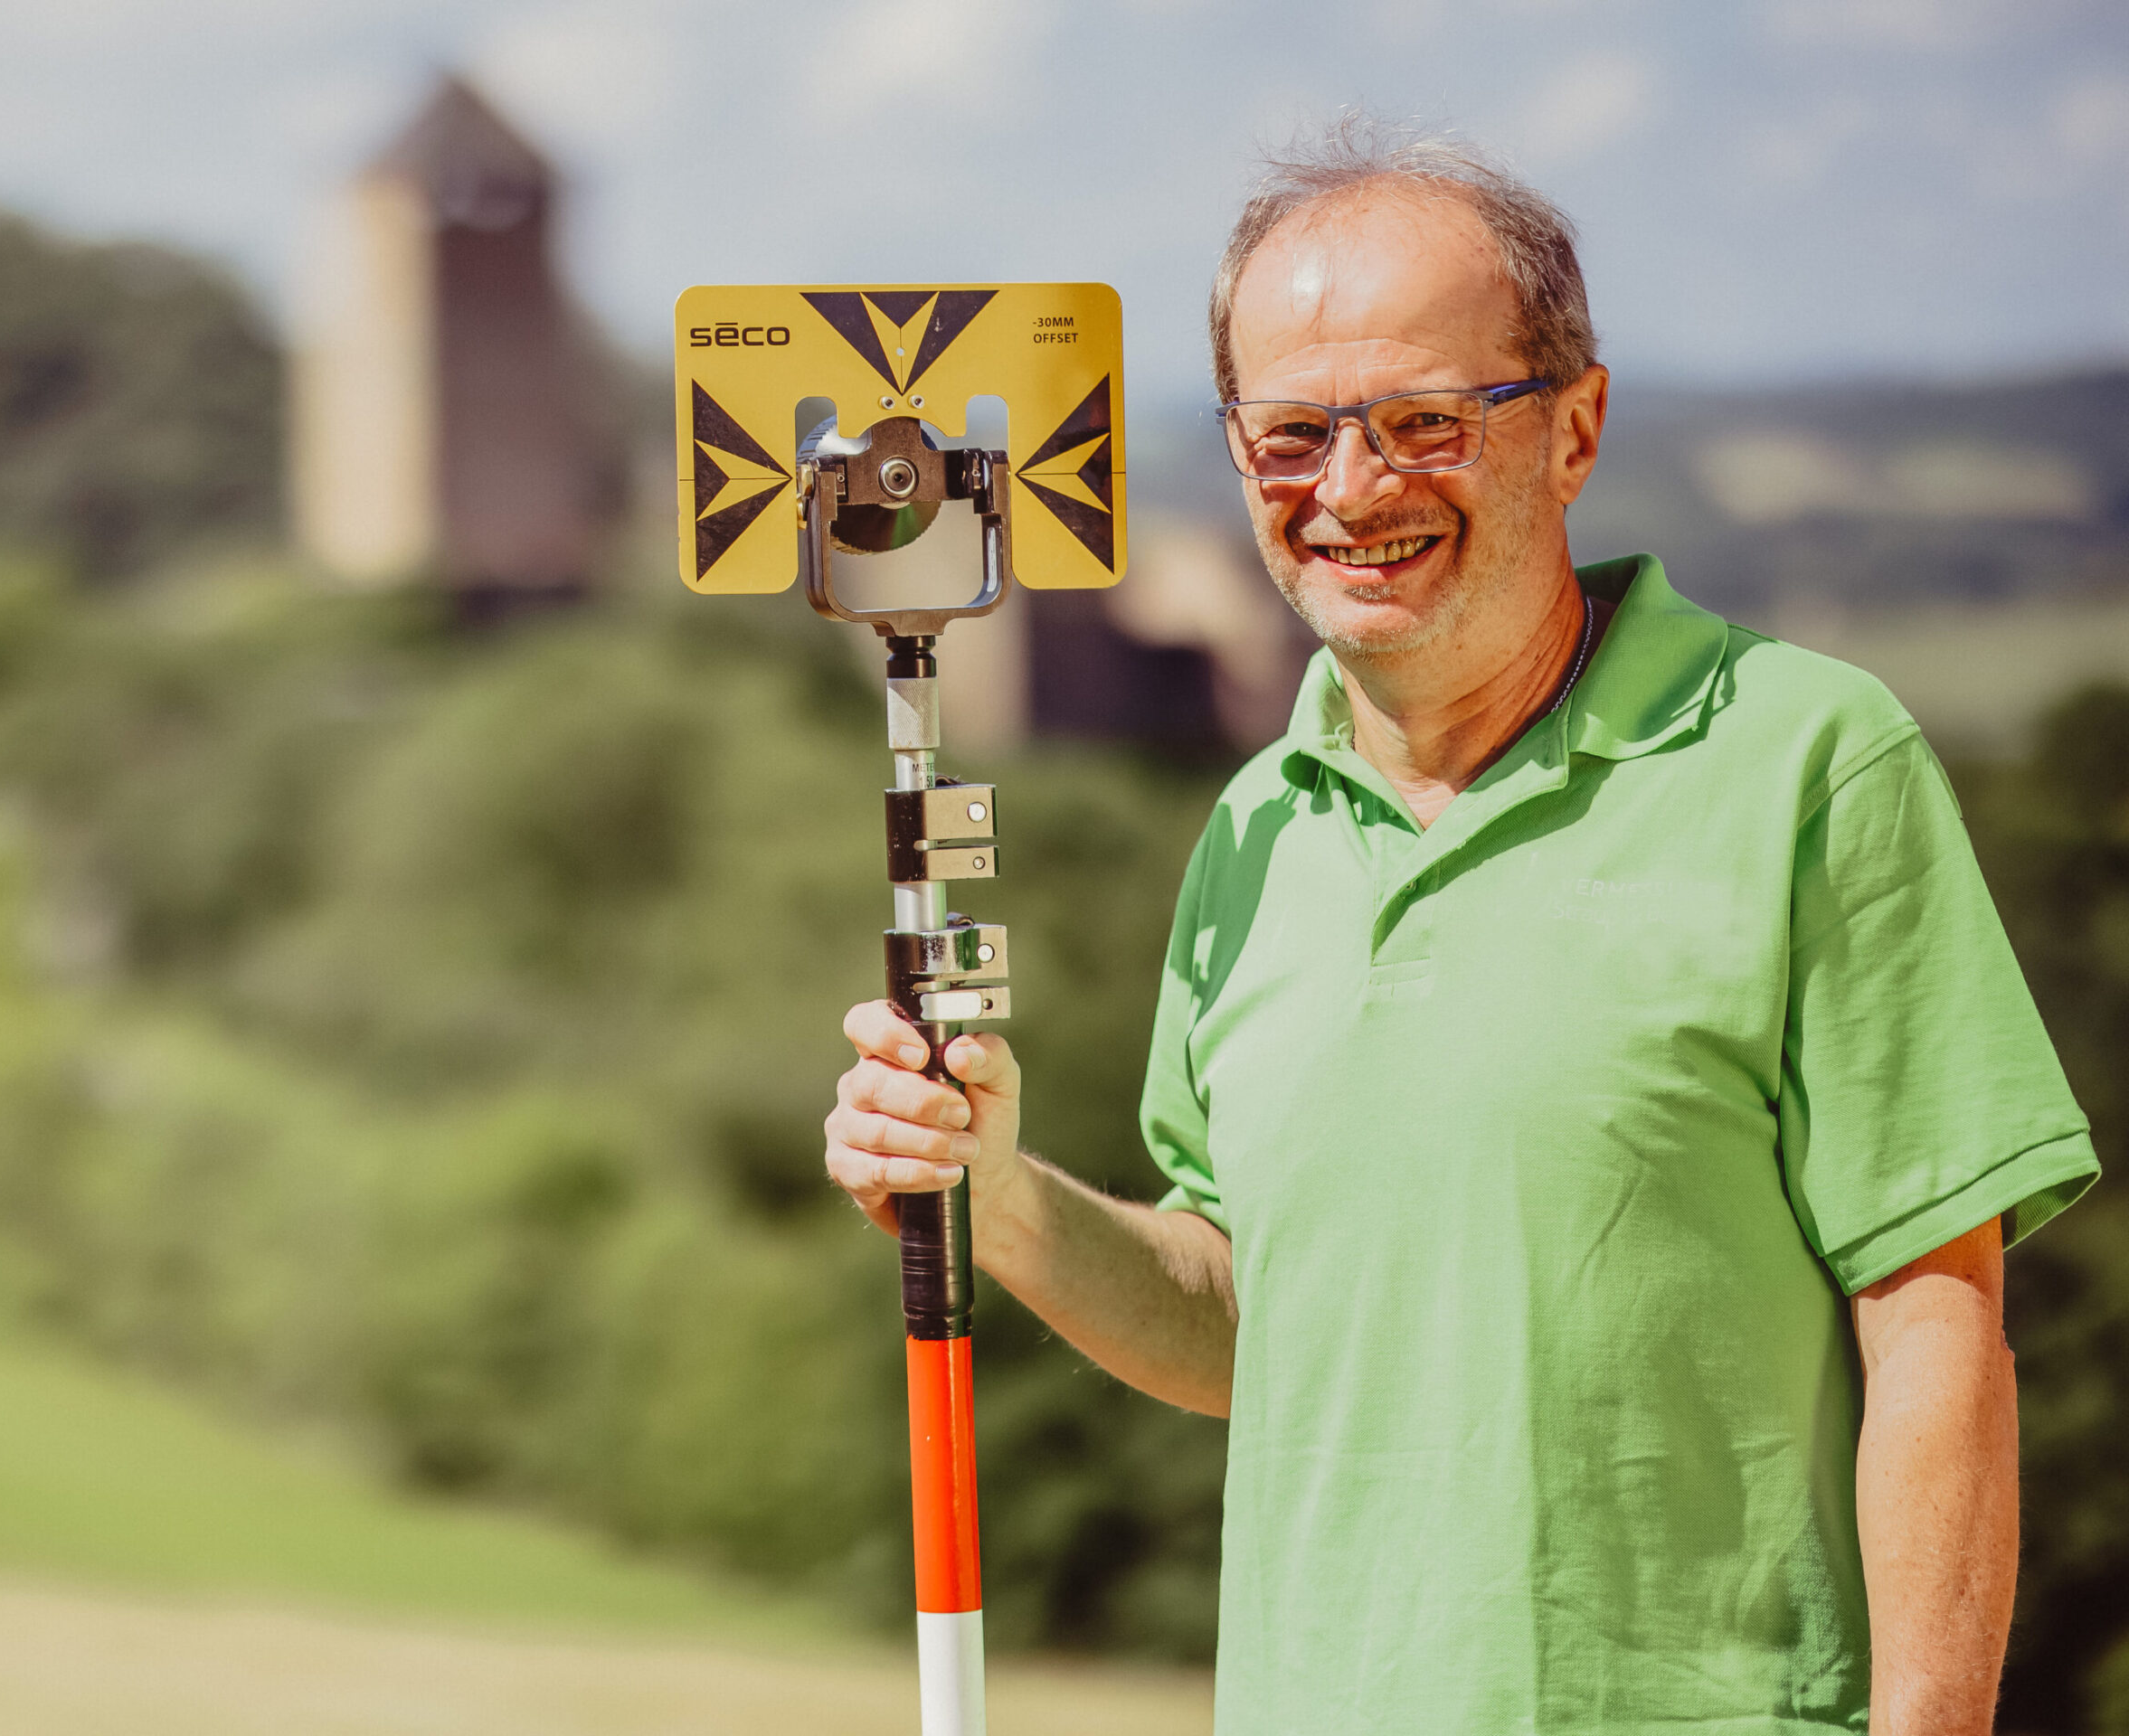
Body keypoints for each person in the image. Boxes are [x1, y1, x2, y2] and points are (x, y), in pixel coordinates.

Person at [824, 119, 2099, 1736]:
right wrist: (993, 1196)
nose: (1353, 491)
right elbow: (1243, 1321)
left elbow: (1934, 1312)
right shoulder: (1254, 834)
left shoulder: (1812, 759)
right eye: (1291, 437)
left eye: (1426, 420)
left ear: (1574, 429)